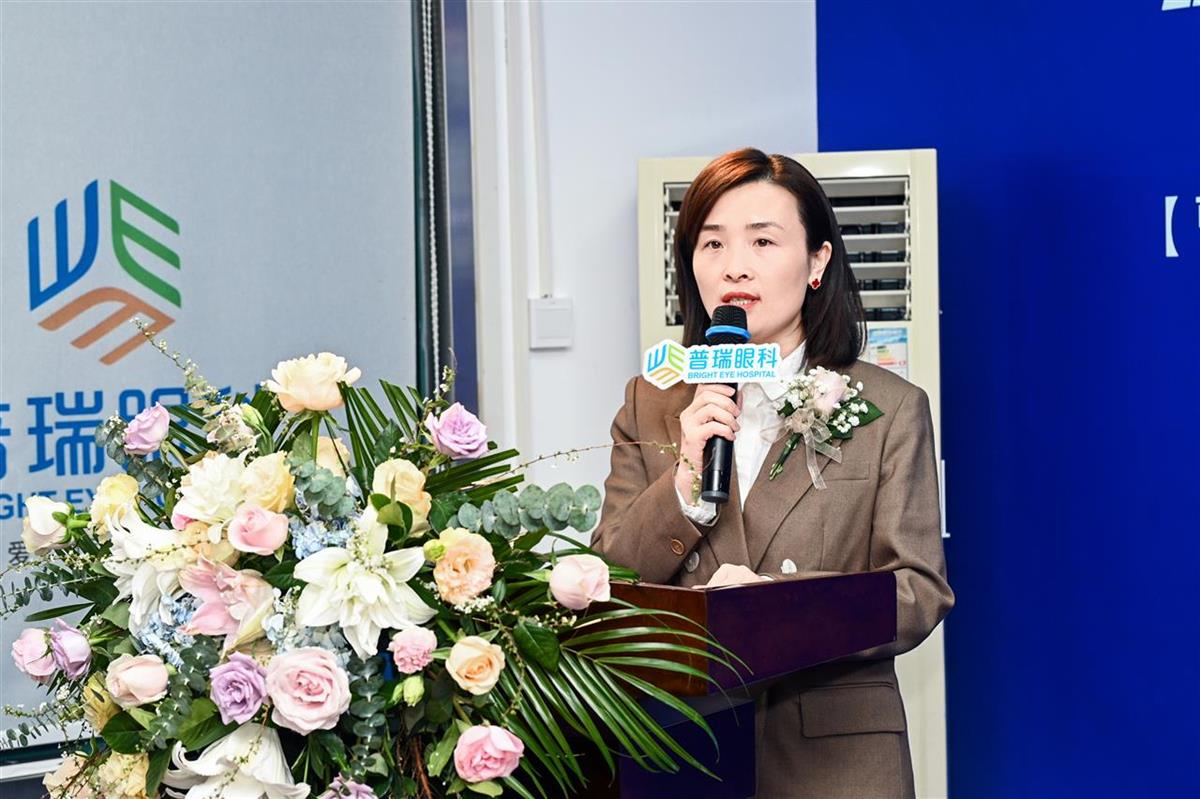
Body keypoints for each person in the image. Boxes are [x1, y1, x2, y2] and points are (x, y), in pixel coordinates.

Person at [591, 147, 954, 799]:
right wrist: (683, 488)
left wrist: (775, 606)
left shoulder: (889, 406)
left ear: (817, 261)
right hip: (687, 748)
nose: (735, 265)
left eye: (762, 240)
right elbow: (609, 577)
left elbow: (919, 589)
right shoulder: (651, 401)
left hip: (836, 761)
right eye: (712, 243)